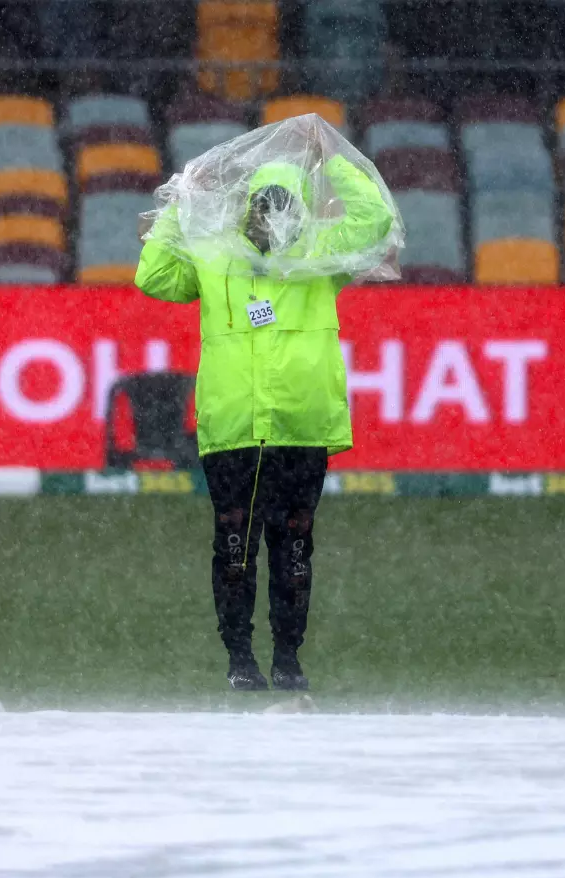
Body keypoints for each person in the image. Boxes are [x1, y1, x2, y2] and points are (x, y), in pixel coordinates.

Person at [133, 127, 396, 692]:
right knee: (237, 544)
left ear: (300, 210)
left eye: (285, 206)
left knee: (292, 544)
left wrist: (334, 158)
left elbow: (375, 219)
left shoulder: (322, 256)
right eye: (264, 205)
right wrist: (181, 205)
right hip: (235, 428)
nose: (274, 219)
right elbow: (153, 277)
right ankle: (240, 657)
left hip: (299, 425)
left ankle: (287, 656)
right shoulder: (216, 257)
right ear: (247, 207)